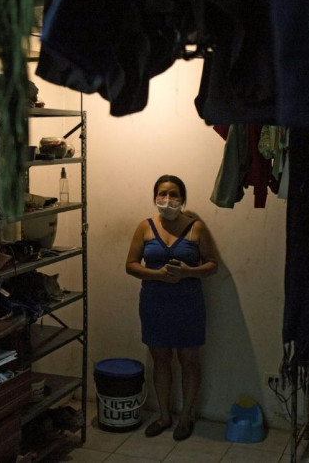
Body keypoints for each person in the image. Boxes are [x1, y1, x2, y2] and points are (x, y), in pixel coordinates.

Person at [125, 174, 218, 441]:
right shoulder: (145, 227)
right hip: (154, 305)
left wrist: (188, 272)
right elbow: (130, 265)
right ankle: (164, 415)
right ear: (155, 197)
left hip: (188, 305)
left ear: (183, 198)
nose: (168, 199)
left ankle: (186, 417)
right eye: (162, 193)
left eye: (174, 194)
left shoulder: (196, 228)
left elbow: (212, 265)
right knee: (160, 359)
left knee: (189, 361)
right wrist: (157, 274)